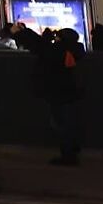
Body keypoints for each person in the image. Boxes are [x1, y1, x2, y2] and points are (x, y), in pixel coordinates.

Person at [36, 28, 85, 165]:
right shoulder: (77, 50)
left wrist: (46, 37)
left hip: (58, 92)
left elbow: (43, 51)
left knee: (61, 124)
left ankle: (68, 155)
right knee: (69, 123)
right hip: (72, 92)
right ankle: (72, 151)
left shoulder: (57, 50)